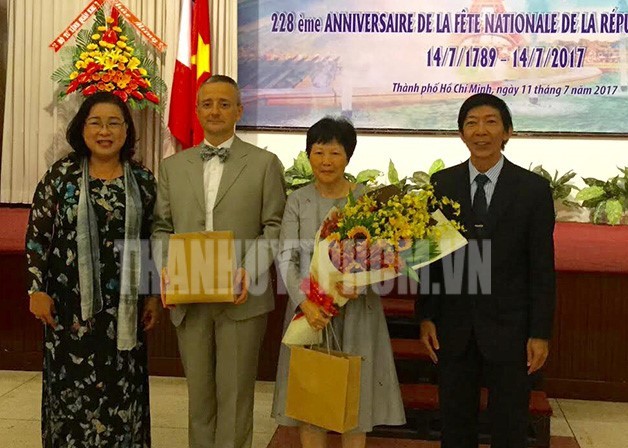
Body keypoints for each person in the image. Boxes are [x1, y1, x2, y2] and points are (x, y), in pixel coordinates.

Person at [151, 74, 286, 448]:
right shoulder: (173, 167)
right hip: (188, 295)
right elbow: (161, 227)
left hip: (242, 294)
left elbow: (274, 227)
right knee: (199, 397)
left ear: (239, 110)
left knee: (237, 396)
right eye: (207, 103)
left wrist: (249, 271)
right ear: (196, 110)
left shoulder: (264, 164)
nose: (215, 110)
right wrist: (167, 269)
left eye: (224, 103)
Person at [418, 93, 556, 448]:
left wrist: (540, 332)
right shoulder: (441, 184)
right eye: (472, 123)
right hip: (455, 325)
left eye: (491, 122)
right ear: (461, 133)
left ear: (507, 132)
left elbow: (542, 267)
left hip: (511, 328)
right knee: (455, 424)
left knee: (509, 427)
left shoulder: (533, 190)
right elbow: (432, 257)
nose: (481, 131)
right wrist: (427, 315)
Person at [25, 91, 160, 447]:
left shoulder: (142, 181)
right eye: (96, 122)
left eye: (114, 123)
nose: (105, 131)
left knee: (121, 397)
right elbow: (37, 236)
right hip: (68, 313)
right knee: (70, 398)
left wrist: (152, 296)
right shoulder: (61, 177)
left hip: (124, 315)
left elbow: (151, 242)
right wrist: (35, 290)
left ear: (127, 131)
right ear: (81, 128)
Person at [271, 116, 406, 448]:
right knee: (311, 398)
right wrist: (307, 302)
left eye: (334, 153)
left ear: (348, 155)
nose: (326, 161)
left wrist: (364, 282)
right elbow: (287, 257)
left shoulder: (367, 202)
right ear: (308, 155)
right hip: (310, 313)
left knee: (355, 400)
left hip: (358, 312)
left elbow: (387, 256)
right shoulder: (298, 200)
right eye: (318, 153)